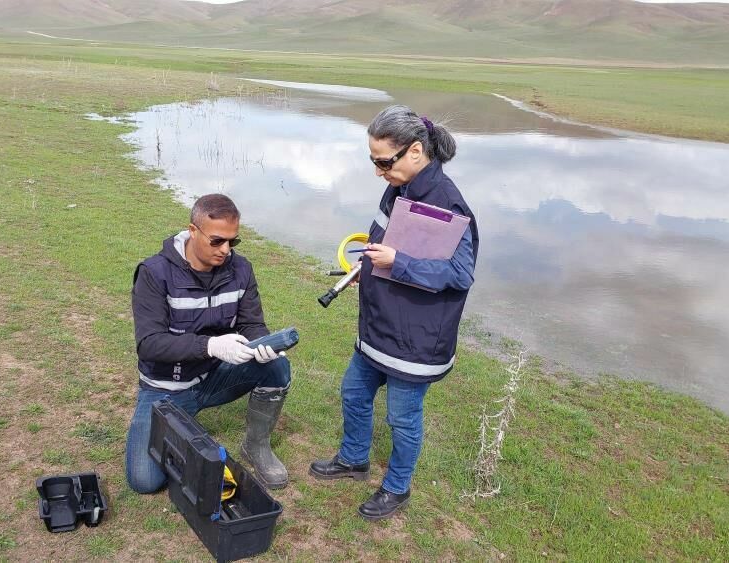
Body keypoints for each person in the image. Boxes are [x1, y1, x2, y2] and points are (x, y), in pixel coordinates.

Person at [310, 105, 478, 520]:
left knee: (402, 418)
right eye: (373, 161)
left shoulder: (451, 205)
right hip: (378, 326)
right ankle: (353, 460)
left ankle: (397, 487)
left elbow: (460, 274)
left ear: (416, 152)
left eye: (384, 161)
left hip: (417, 338)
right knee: (353, 393)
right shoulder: (396, 188)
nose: (378, 170)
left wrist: (395, 261)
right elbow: (380, 241)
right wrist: (365, 269)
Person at [125, 194, 292, 492]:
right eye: (217, 241)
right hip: (165, 389)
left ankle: (256, 446)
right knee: (144, 481)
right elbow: (149, 344)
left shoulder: (241, 270)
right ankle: (180, 429)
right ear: (192, 230)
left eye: (233, 241)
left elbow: (251, 323)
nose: (226, 250)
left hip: (214, 378)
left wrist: (263, 344)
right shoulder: (154, 273)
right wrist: (211, 346)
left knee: (277, 367)